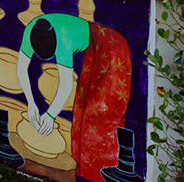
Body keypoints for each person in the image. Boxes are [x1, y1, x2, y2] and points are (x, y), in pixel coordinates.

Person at [16, 13, 131, 182]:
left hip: (112, 48)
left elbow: (65, 84)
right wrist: (31, 104)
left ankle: (101, 172)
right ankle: (83, 173)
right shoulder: (30, 30)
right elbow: (21, 68)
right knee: (82, 109)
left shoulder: (63, 40)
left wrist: (50, 115)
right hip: (93, 51)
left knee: (101, 110)